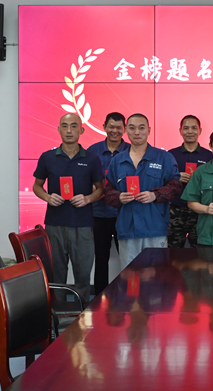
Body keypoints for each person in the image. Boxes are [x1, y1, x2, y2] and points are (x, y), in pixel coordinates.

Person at [33, 113, 104, 300]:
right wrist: (48, 197)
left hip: (83, 224)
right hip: (55, 224)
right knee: (56, 274)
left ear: (81, 130)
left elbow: (101, 189)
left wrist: (87, 199)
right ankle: (58, 312)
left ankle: (81, 313)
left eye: (74, 126)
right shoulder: (47, 157)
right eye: (64, 126)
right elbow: (37, 186)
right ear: (59, 129)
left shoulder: (92, 159)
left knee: (83, 275)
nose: (69, 130)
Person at [104, 113, 181, 268]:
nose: (137, 132)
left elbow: (176, 187)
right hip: (127, 229)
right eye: (132, 128)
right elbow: (108, 193)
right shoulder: (117, 161)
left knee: (157, 277)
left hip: (155, 229)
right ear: (126, 130)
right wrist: (119, 197)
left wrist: (155, 195)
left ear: (149, 130)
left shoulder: (164, 157)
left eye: (141, 128)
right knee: (130, 277)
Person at [87, 112, 130, 295]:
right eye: (111, 126)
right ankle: (100, 298)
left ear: (124, 129)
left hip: (124, 214)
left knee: (128, 258)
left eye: (119, 127)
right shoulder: (92, 151)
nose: (115, 131)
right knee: (101, 258)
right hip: (98, 214)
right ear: (104, 126)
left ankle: (129, 296)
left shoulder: (131, 151)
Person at [167, 115, 213, 248]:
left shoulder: (209, 155)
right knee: (173, 250)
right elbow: (162, 179)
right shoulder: (170, 155)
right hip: (175, 208)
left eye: (194, 128)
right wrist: (175, 177)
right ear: (180, 131)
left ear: (200, 131)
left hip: (200, 209)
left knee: (199, 250)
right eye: (186, 128)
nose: (190, 131)